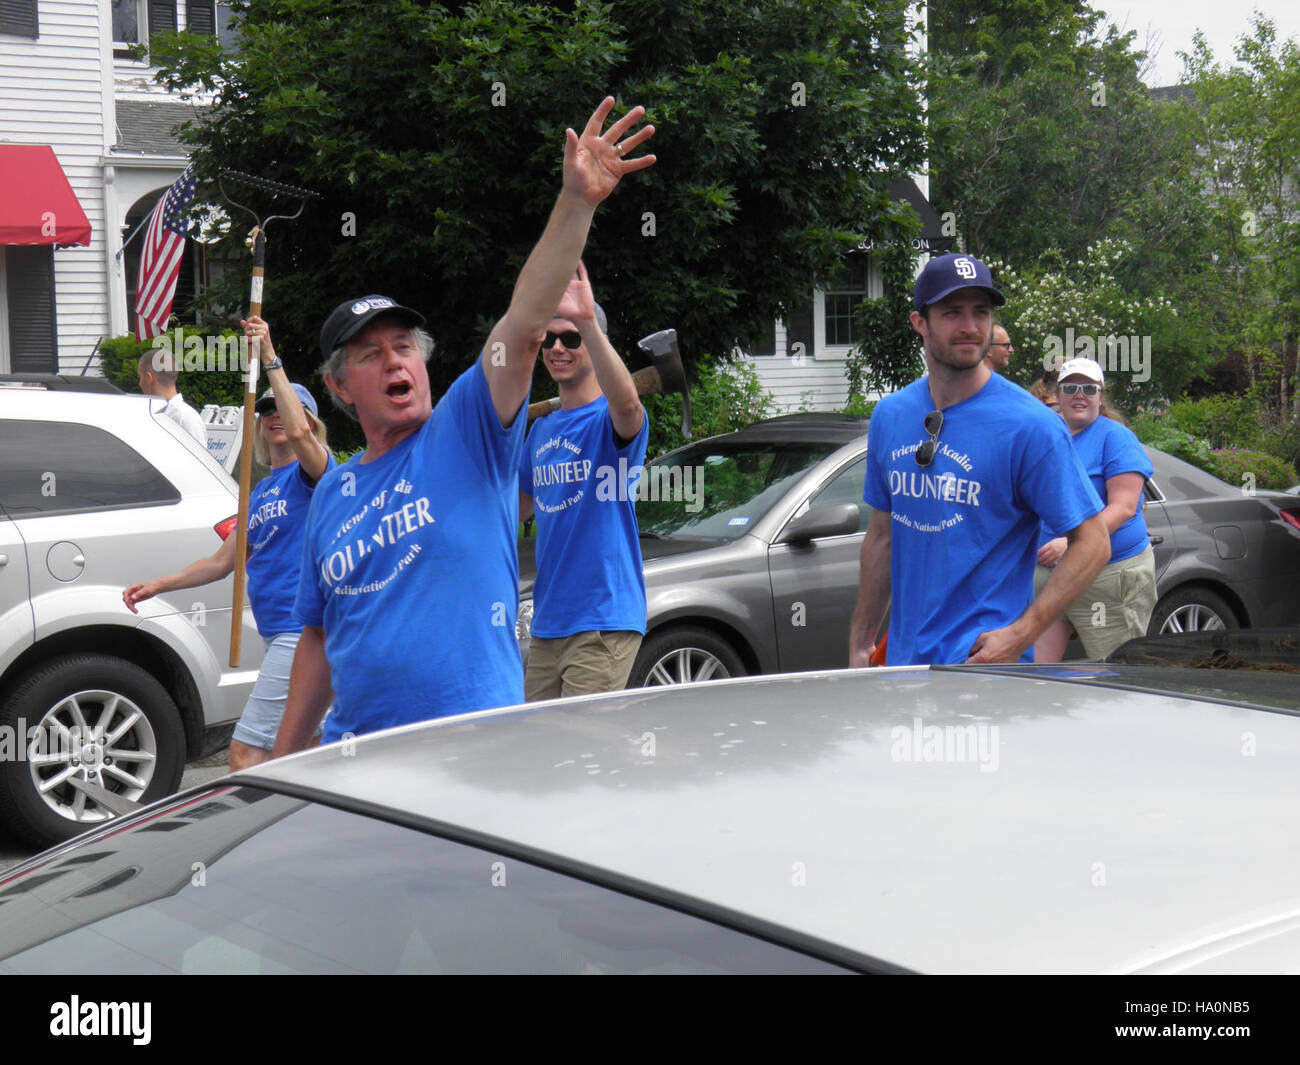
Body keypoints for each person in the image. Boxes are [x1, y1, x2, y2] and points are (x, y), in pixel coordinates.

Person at [271, 96, 656, 755]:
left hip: (472, 752)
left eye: (405, 347)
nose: (397, 361)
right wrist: (283, 761)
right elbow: (318, 636)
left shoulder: (467, 429)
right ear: (338, 386)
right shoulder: (332, 494)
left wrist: (577, 204)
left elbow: (527, 321)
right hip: (358, 761)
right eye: (371, 354)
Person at [847, 253, 1110, 667]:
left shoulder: (1031, 426)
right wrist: (862, 643)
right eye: (953, 312)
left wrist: (1022, 633)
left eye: (981, 312)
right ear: (920, 322)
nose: (970, 327)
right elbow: (882, 536)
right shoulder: (891, 415)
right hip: (901, 667)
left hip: (983, 671)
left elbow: (1093, 542)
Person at [124, 317, 334, 770]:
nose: (277, 415)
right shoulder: (259, 493)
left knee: (246, 755)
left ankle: (255, 837)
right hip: (280, 632)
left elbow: (300, 436)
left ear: (310, 422)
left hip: (304, 634)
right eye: (268, 410)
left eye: (288, 408)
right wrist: (158, 585)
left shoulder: (318, 477)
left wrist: (269, 355)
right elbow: (223, 562)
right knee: (305, 753)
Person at [518, 262, 648, 700]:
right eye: (549, 339)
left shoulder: (610, 420)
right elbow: (509, 512)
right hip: (547, 623)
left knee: (585, 755)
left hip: (602, 621)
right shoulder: (540, 431)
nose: (557, 347)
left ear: (594, 343)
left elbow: (628, 405)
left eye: (571, 338)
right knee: (534, 749)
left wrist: (588, 321)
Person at [1033, 358, 1156, 661]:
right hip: (1051, 576)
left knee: (1117, 673)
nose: (1079, 394)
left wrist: (1073, 542)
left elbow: (1125, 507)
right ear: (1057, 395)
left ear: (1100, 397)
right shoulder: (1046, 435)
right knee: (1033, 672)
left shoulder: (1115, 438)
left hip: (1107, 577)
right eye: (1070, 388)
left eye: (1089, 388)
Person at [137, 350, 207, 446]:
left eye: (140, 377)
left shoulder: (184, 418)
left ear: (149, 378)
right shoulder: (176, 415)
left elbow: (198, 459)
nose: (139, 383)